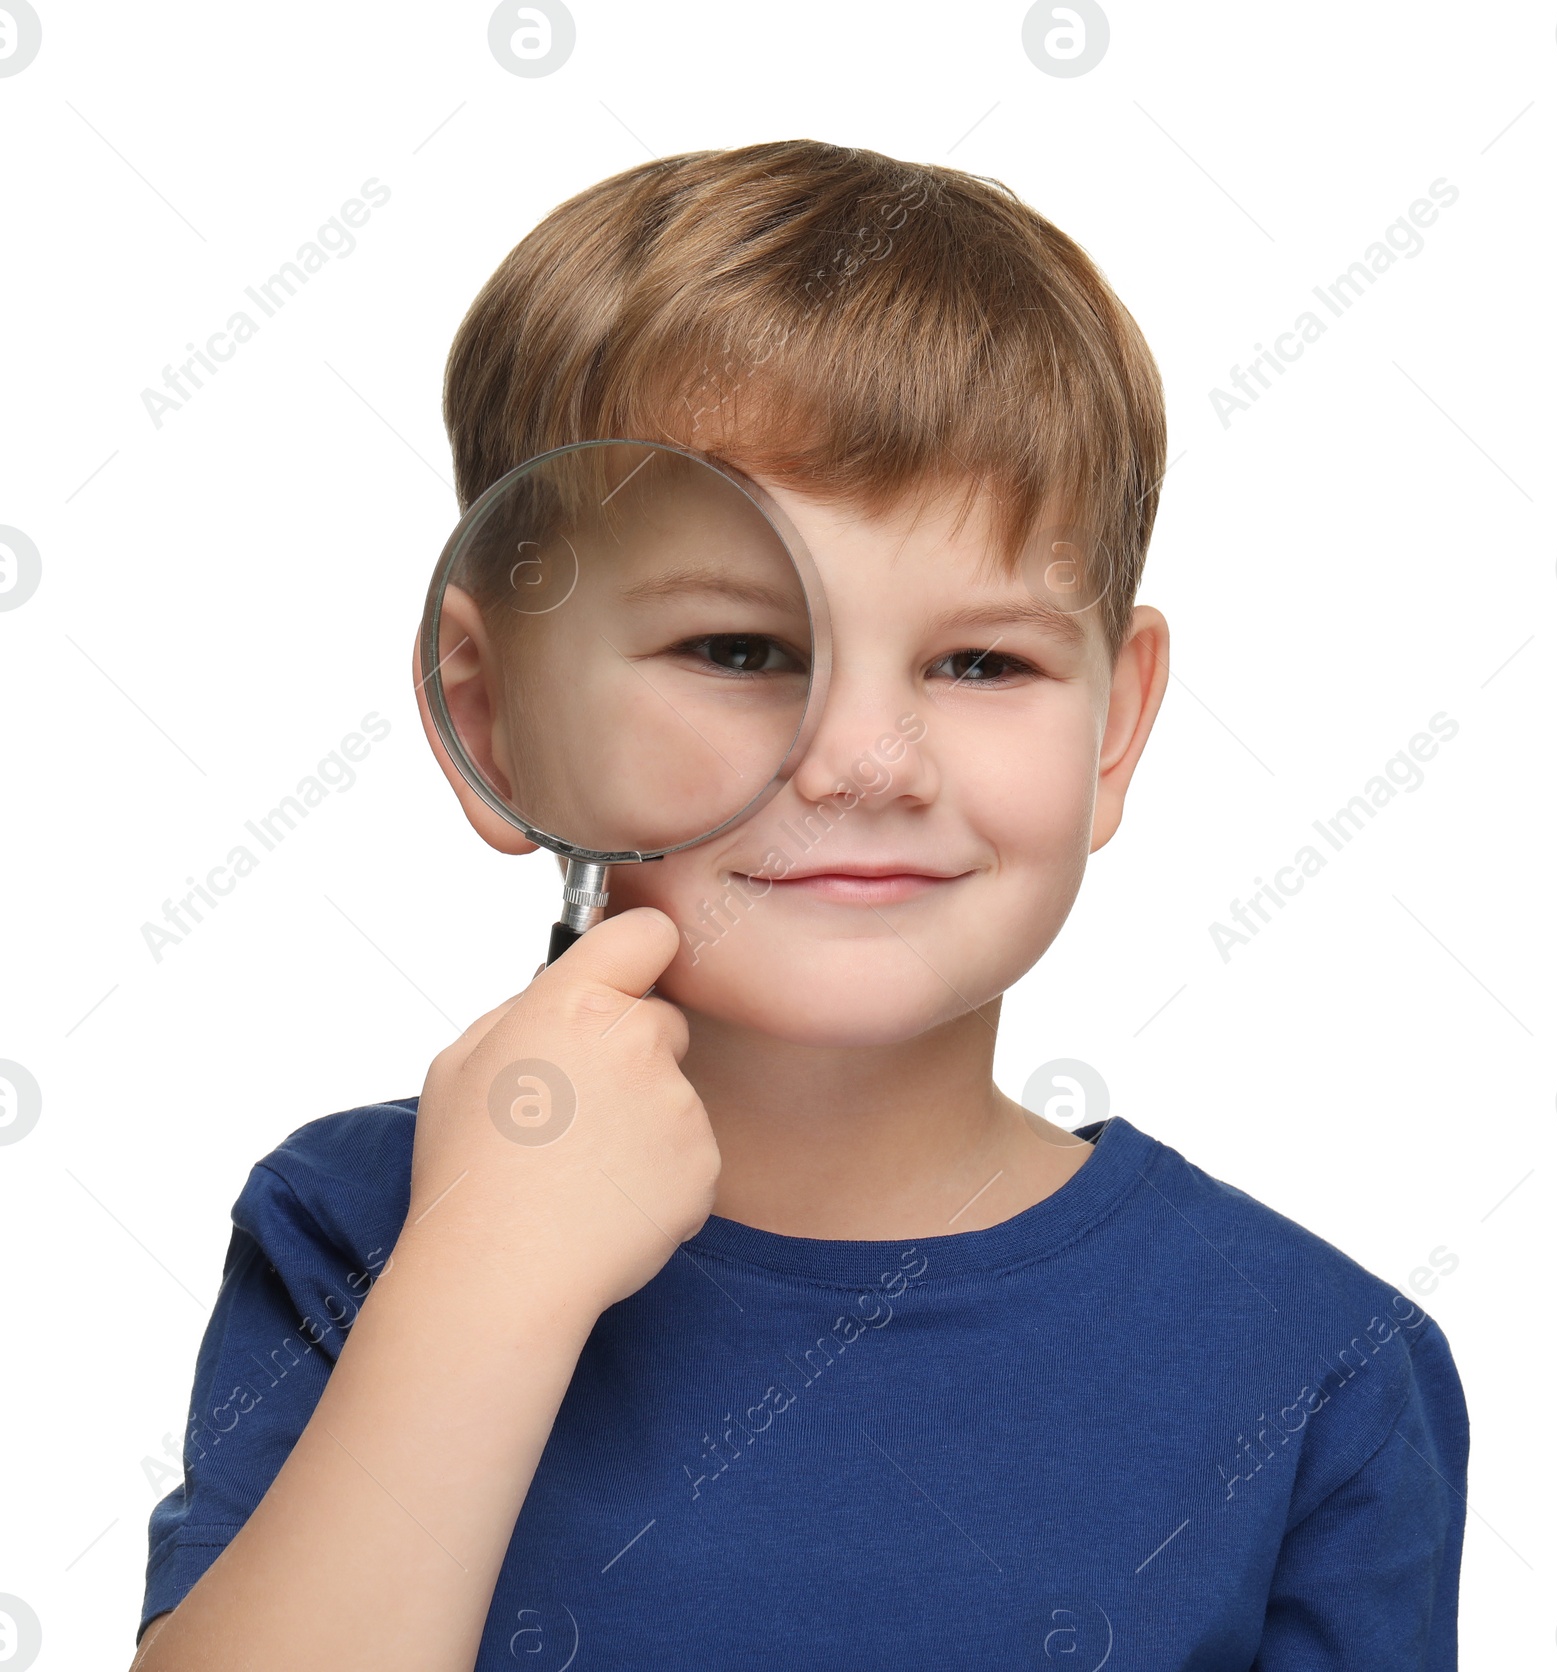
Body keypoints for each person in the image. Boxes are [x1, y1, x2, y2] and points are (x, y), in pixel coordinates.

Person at [130, 139, 1468, 1671]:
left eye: (982, 665)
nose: (866, 761)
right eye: (741, 651)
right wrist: (483, 1283)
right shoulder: (366, 1230)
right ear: (492, 720)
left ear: (1114, 730)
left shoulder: (1316, 1369)